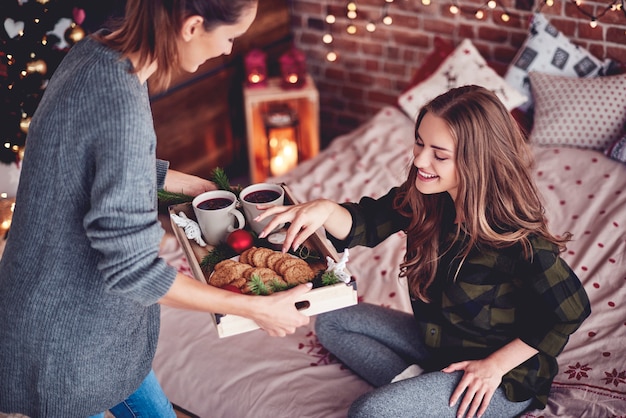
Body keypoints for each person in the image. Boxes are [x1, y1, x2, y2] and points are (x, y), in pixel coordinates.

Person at [0, 0, 312, 416]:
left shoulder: (101, 53)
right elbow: (134, 270)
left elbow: (88, 158)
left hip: (96, 324)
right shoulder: (122, 104)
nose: (227, 51)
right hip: (68, 339)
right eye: (230, 37)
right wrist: (255, 307)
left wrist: (183, 183)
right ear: (193, 25)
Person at [257, 85, 591, 418]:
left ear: (477, 161)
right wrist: (324, 209)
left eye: (439, 154)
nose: (420, 160)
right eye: (419, 142)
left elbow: (570, 310)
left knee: (369, 412)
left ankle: (424, 398)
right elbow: (368, 222)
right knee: (332, 320)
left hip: (501, 377)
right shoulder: (427, 197)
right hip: (441, 343)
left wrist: (493, 366)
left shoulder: (516, 238)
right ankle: (420, 390)